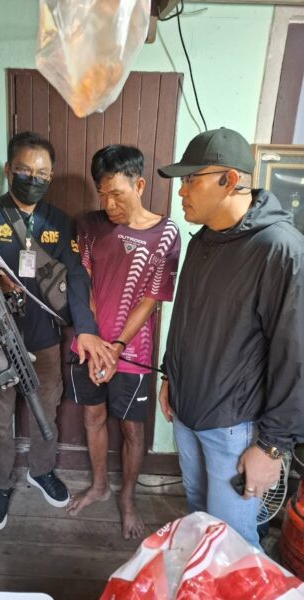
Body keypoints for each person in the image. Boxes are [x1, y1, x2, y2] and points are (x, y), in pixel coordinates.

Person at [157, 127, 304, 549]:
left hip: (235, 428)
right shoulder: (203, 241)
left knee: (232, 545)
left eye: (191, 179)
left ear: (231, 180)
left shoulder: (279, 249)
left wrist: (272, 447)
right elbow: (186, 319)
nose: (182, 191)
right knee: (199, 522)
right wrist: (170, 375)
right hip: (188, 410)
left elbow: (295, 358)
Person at [0, 131, 114, 531]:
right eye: (24, 170)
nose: (33, 179)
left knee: (45, 409)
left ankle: (42, 470)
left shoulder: (59, 222)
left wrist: (86, 328)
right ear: (8, 170)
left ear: (50, 176)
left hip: (44, 337)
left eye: (42, 173)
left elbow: (77, 277)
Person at [66, 145, 180, 539]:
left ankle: (128, 498)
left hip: (133, 353)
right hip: (89, 346)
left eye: (117, 193)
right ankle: (99, 486)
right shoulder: (88, 225)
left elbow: (150, 300)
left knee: (132, 429)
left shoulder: (166, 233)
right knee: (93, 417)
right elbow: (83, 283)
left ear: (140, 185)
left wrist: (115, 347)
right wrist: (97, 343)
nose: (109, 204)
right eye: (103, 194)